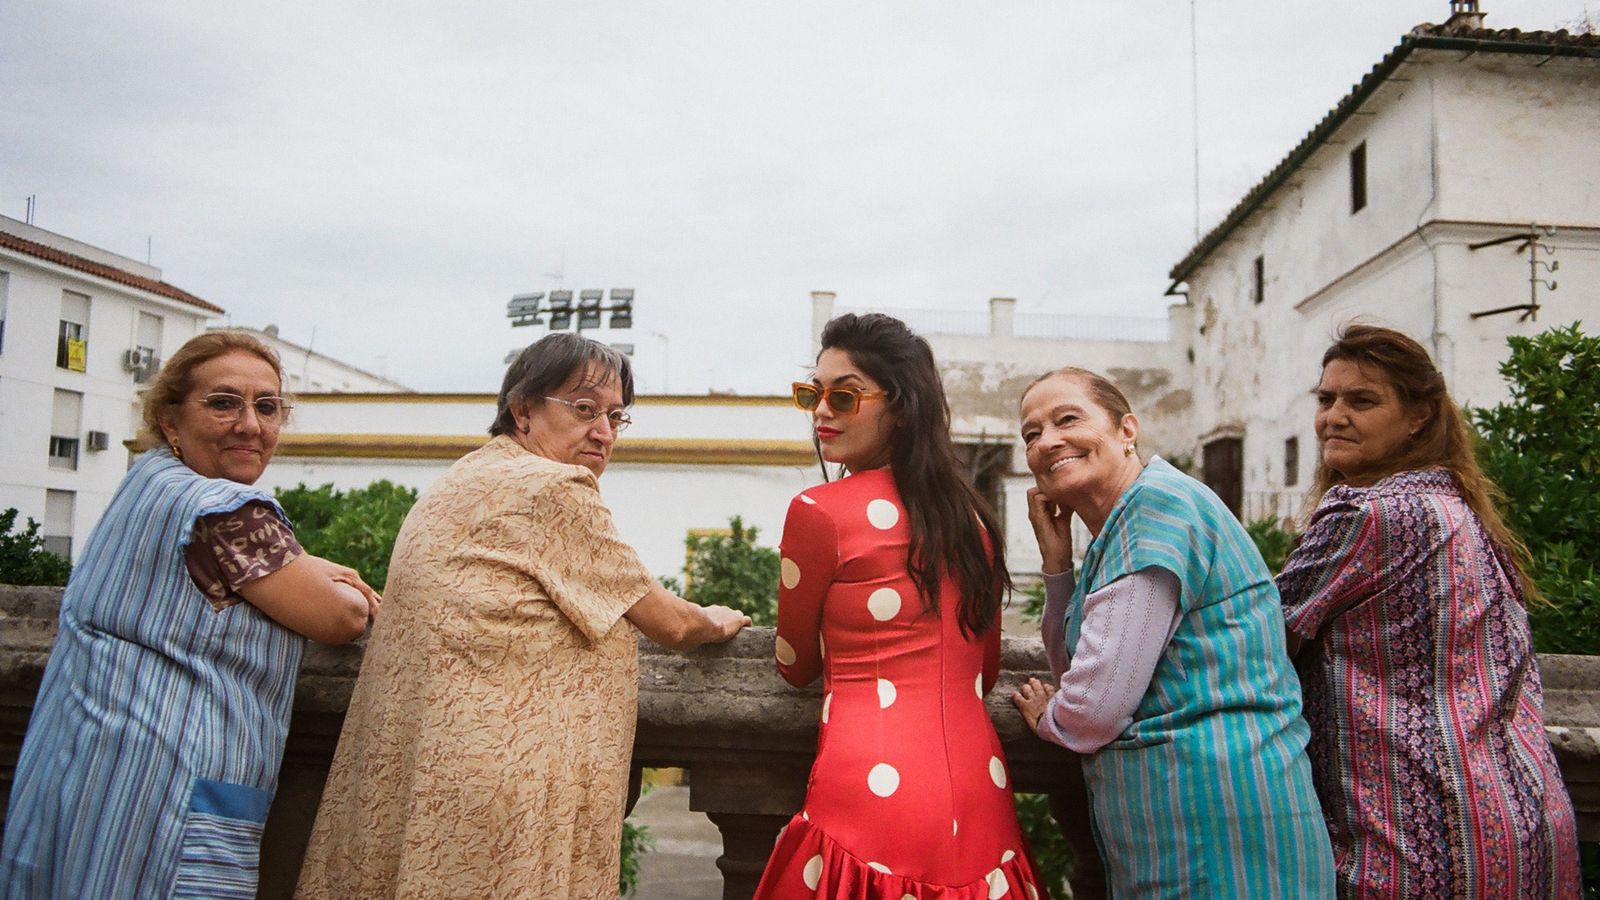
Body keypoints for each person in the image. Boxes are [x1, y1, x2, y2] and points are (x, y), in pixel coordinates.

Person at [295, 332, 750, 899]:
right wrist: (720, 618)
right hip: (505, 793)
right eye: (584, 409)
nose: (604, 431)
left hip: (426, 775)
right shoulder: (553, 487)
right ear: (524, 409)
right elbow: (672, 625)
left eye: (616, 416)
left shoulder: (465, 477)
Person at [0, 331, 380, 899]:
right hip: (162, 794)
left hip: (84, 774)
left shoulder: (149, 483)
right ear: (171, 420)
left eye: (267, 406)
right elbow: (341, 618)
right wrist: (336, 581)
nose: (250, 424)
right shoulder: (221, 510)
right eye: (224, 402)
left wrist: (301, 562)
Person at [1276, 324, 1579, 899]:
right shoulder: (1452, 504)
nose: (1333, 416)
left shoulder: (1371, 514)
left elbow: (1249, 633)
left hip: (1414, 843)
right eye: (1326, 399)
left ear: (1418, 416)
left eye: (1361, 400)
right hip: (1522, 822)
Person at [1009, 366, 1335, 898]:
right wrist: (1056, 565)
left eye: (1067, 419)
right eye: (1031, 433)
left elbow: (1090, 713)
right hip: (1185, 827)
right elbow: (1078, 671)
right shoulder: (1124, 527)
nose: (1048, 440)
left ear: (1127, 430)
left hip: (1221, 829)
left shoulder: (1159, 510)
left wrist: (1051, 717)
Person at [753, 314, 1049, 899]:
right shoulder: (973, 523)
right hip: (978, 786)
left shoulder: (818, 511)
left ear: (902, 406)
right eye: (811, 394)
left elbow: (795, 666)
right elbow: (984, 671)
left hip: (866, 789)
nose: (821, 411)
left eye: (843, 395)